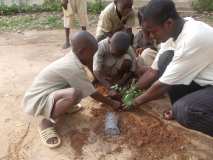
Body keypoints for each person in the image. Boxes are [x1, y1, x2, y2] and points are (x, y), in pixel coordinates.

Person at [22, 31, 121, 148]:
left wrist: (102, 83)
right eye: (93, 53)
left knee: (80, 87)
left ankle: (61, 107)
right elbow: (91, 93)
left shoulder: (75, 57)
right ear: (82, 51)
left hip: (49, 93)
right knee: (74, 94)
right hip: (38, 100)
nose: (94, 56)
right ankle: (46, 122)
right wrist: (112, 103)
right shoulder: (71, 67)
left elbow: (90, 70)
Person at [132, 0, 213, 136]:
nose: (151, 37)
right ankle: (181, 106)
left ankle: (183, 109)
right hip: (203, 83)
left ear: (168, 23)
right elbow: (153, 72)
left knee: (185, 111)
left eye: (153, 31)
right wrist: (130, 91)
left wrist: (134, 102)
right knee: (165, 58)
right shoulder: (173, 33)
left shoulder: (193, 37)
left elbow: (162, 85)